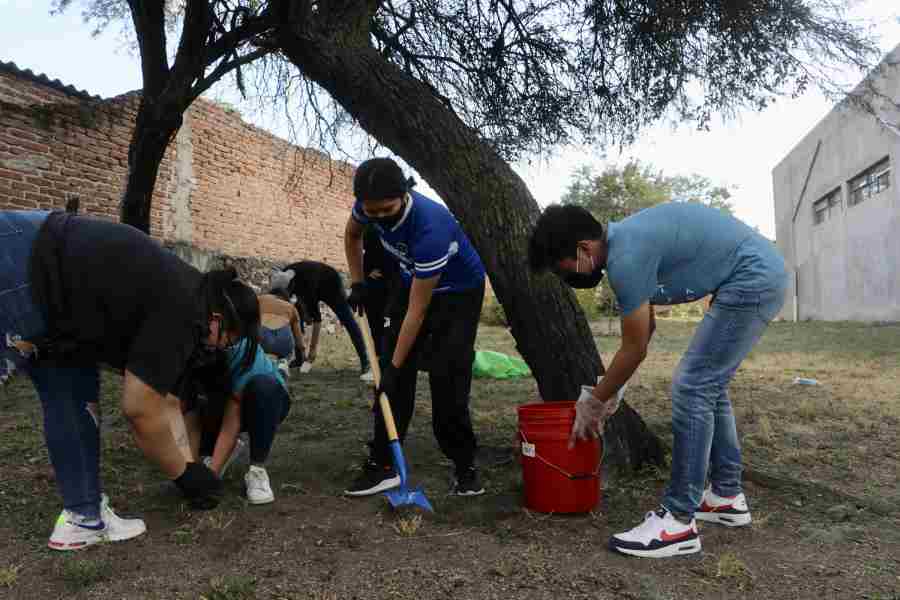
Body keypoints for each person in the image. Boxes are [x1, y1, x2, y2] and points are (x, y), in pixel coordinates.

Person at [528, 202, 787, 558]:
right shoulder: (629, 242)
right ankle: (726, 495)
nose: (567, 278)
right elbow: (646, 329)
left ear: (584, 248)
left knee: (693, 386)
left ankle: (678, 521)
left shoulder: (626, 258)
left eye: (564, 268)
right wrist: (612, 390)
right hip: (756, 272)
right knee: (707, 385)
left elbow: (634, 349)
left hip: (751, 277)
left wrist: (593, 402)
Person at [0, 209, 259, 550]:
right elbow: (139, 409)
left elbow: (163, 399)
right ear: (216, 320)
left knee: (74, 395)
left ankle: (83, 519)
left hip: (58, 310)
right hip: (21, 263)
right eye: (229, 339)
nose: (222, 348)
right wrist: (183, 475)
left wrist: (190, 463)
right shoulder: (185, 309)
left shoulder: (185, 293)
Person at [343, 157, 487, 497]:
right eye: (371, 211)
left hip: (457, 293)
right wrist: (358, 282)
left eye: (386, 210)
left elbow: (418, 311)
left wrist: (394, 365)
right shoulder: (368, 205)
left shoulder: (430, 227)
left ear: (405, 194)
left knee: (446, 379)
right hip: (412, 279)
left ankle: (465, 466)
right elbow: (352, 237)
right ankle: (384, 464)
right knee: (390, 384)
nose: (378, 217)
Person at [192, 336, 292, 505]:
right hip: (219, 395)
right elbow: (186, 413)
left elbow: (231, 423)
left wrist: (210, 478)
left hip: (264, 402)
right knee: (199, 400)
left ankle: (256, 470)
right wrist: (190, 469)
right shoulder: (186, 353)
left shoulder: (243, 350)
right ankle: (210, 456)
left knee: (264, 387)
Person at [272, 261, 373, 381]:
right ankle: (299, 358)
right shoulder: (282, 276)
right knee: (296, 314)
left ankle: (365, 361)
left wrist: (313, 350)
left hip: (330, 282)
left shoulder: (306, 287)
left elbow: (317, 319)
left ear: (291, 286)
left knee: (347, 319)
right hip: (310, 281)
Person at [362, 223, 398, 362]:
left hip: (389, 289)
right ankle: (380, 358)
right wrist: (366, 273)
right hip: (375, 290)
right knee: (377, 326)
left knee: (386, 325)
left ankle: (387, 358)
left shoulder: (389, 239)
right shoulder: (372, 232)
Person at [257, 288, 306, 377]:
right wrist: (303, 359)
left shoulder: (260, 299)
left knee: (258, 350)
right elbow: (299, 341)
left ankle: (262, 365)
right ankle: (283, 362)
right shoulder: (291, 307)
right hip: (284, 338)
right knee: (285, 354)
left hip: (263, 335)